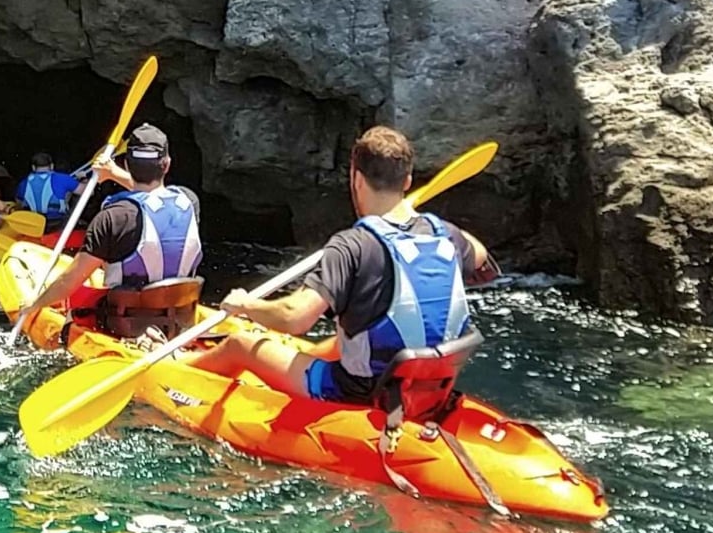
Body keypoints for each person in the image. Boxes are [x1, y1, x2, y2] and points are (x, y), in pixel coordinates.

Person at [185, 125, 501, 407]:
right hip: (428, 387)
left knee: (241, 343)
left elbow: (295, 319)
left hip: (357, 391)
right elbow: (481, 257)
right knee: (342, 340)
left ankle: (177, 372)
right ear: (406, 179)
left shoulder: (351, 245)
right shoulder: (446, 235)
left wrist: (246, 305)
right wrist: (421, 218)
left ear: (356, 178)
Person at [18, 124, 204, 337]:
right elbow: (154, 198)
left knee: (77, 302)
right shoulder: (190, 202)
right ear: (167, 165)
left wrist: (35, 304)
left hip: (123, 327)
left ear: (127, 163)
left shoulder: (113, 217)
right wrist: (114, 174)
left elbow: (69, 282)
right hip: (179, 322)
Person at [16, 152, 87, 232]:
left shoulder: (23, 184)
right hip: (58, 223)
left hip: (35, 224)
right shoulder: (63, 178)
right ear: (52, 166)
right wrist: (83, 178)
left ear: (33, 167)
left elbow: (19, 205)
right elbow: (88, 192)